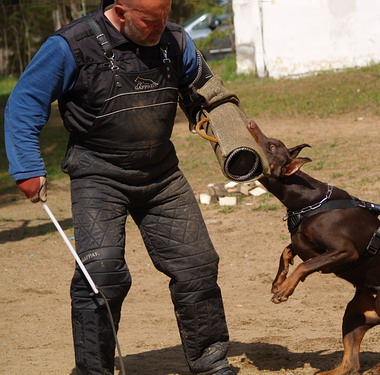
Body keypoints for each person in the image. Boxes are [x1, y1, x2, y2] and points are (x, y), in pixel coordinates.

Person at [4, 1, 240, 374]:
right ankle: (93, 370)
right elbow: (24, 102)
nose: (161, 27)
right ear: (120, 11)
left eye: (165, 17)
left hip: (161, 175)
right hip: (98, 174)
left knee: (197, 266)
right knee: (103, 274)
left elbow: (205, 93)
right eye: (150, 20)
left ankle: (210, 360)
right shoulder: (71, 45)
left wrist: (236, 137)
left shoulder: (176, 40)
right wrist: (27, 167)